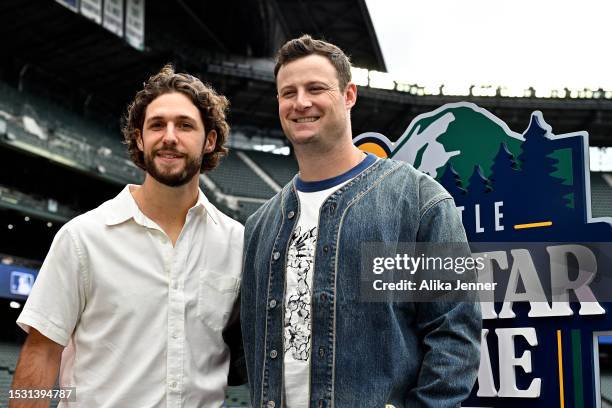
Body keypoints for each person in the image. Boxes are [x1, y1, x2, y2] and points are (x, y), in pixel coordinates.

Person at [241, 35, 481, 408]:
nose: (301, 102)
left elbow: (455, 333)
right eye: (288, 92)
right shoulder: (259, 226)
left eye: (316, 88)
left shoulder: (421, 202)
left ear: (349, 95)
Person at [10, 65, 244, 408]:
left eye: (185, 125)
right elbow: (41, 353)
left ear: (209, 140)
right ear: (139, 138)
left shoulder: (236, 243)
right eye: (156, 125)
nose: (169, 137)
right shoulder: (82, 238)